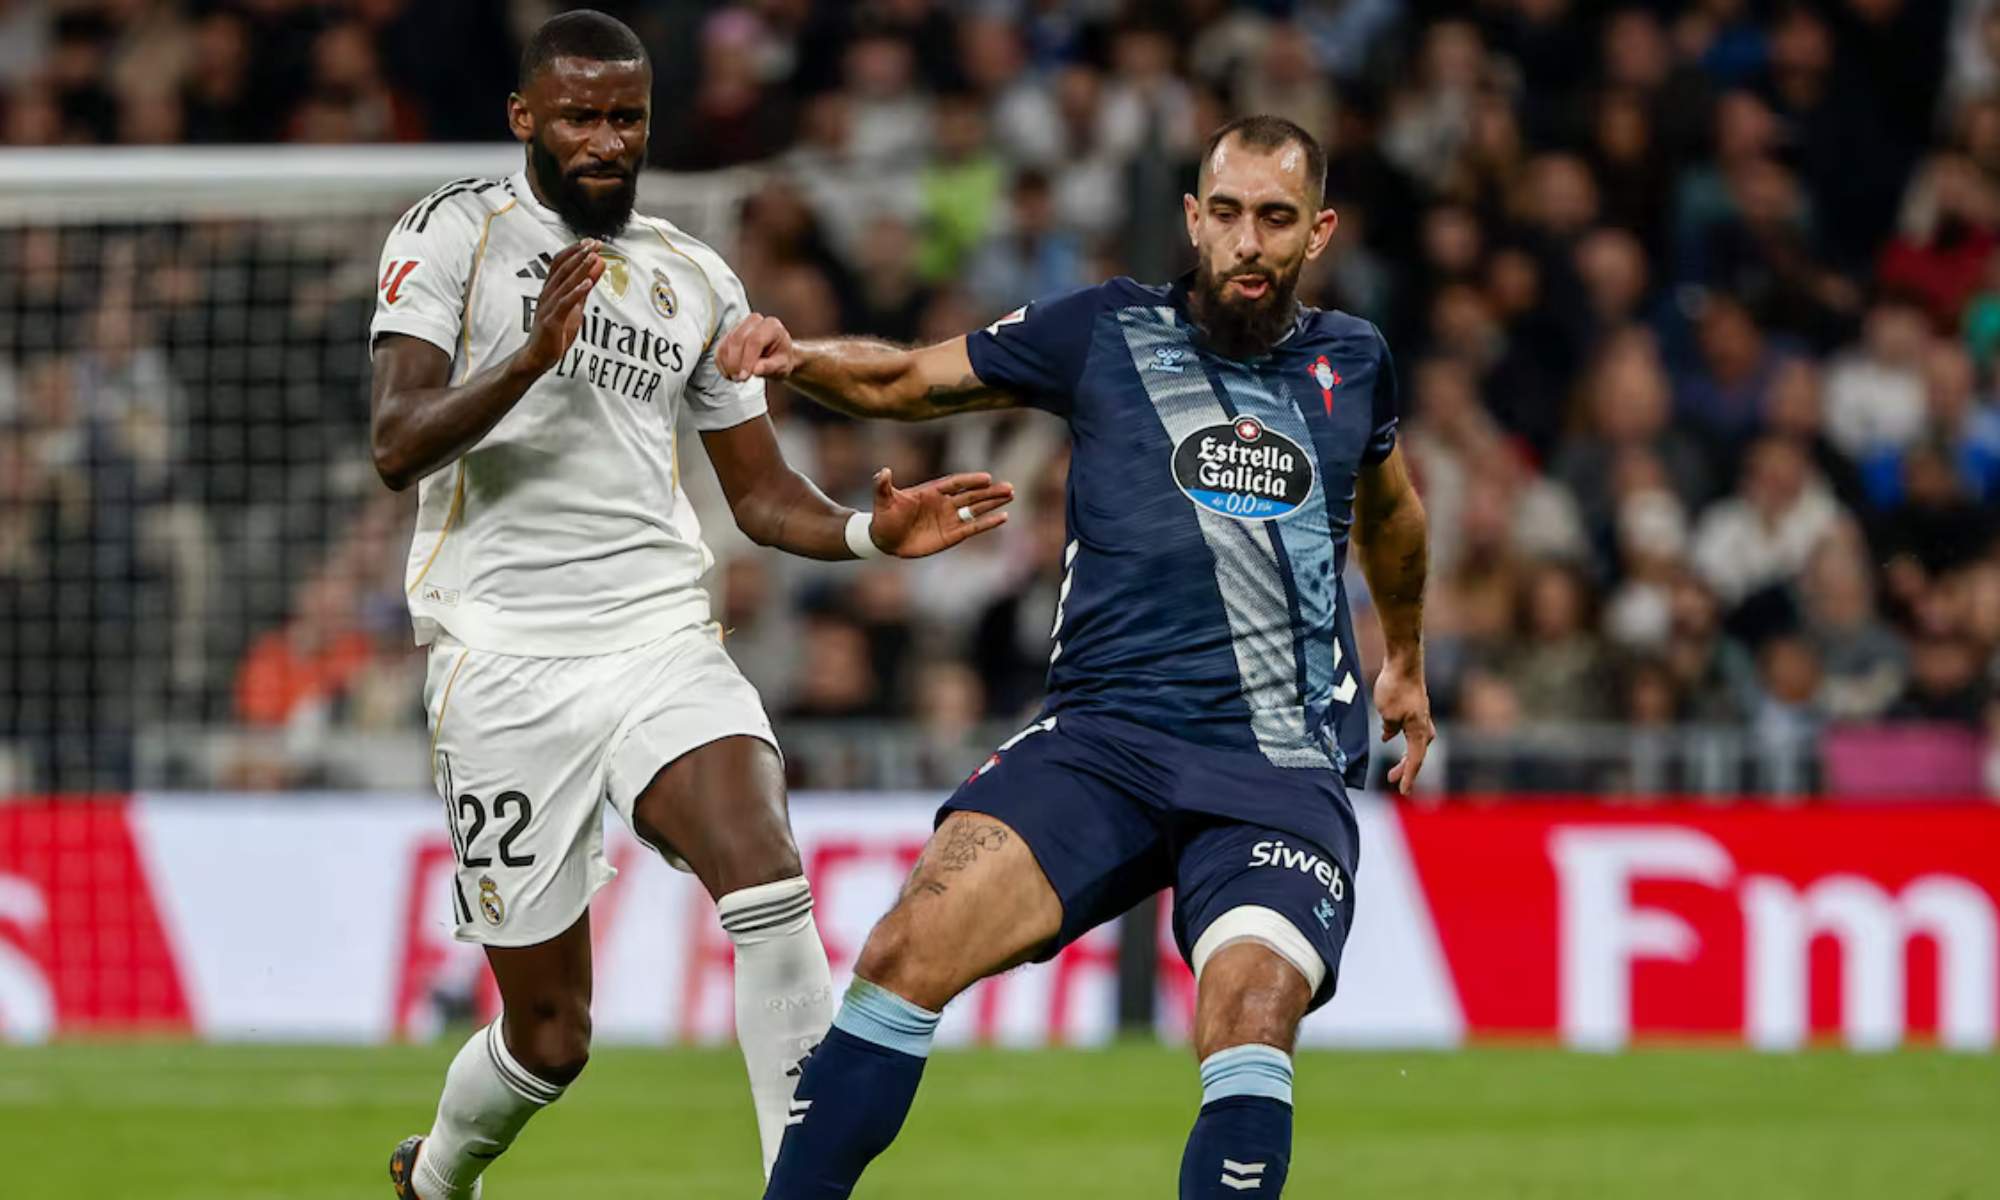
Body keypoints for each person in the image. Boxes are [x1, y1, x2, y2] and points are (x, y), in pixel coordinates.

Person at [717, 114, 1433, 1200]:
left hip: (1274, 770)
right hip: (1104, 741)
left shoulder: (1354, 363)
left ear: (1316, 232)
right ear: (1193, 219)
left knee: (1247, 1014)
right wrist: (797, 358)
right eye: (1227, 214)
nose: (1247, 241)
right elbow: (909, 379)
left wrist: (1406, 661)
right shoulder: (1104, 330)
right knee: (906, 948)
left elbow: (1391, 519)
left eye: (1275, 219)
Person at [366, 12, 1012, 1199]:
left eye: (627, 119)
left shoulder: (691, 277)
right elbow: (396, 443)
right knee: (549, 1042)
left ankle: (799, 1186)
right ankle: (438, 1177)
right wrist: (522, 359)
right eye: (579, 117)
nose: (606, 141)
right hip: (500, 666)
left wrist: (873, 530)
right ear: (525, 120)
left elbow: (762, 500)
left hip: (658, 639)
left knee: (767, 876)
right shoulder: (454, 231)